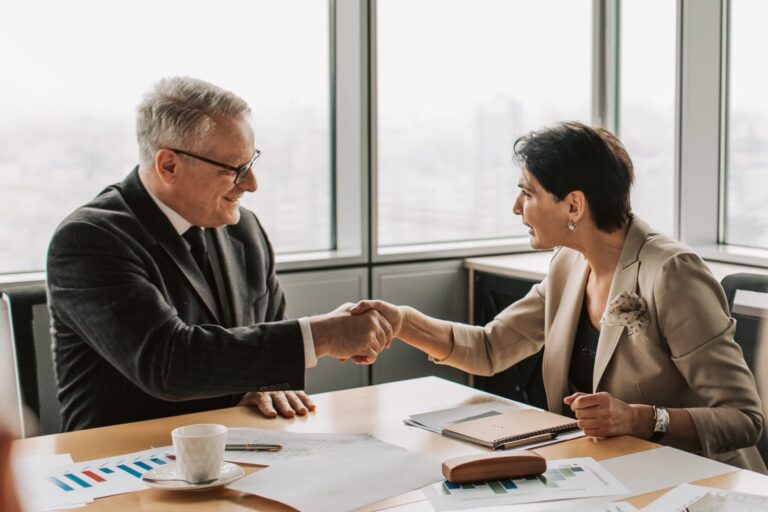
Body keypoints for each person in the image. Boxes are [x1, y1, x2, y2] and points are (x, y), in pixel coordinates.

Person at [351, 121, 767, 472]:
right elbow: (490, 348)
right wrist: (403, 321)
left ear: (574, 205)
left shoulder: (672, 273)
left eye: (528, 193)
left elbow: (744, 420)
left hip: (694, 481)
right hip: (609, 472)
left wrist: (638, 418)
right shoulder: (568, 264)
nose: (517, 207)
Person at [47, 77, 391, 432]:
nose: (252, 183)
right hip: (122, 460)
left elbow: (264, 337)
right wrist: (321, 336)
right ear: (169, 166)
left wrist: (266, 385)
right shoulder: (89, 239)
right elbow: (168, 363)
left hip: (235, 447)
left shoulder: (244, 229)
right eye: (234, 169)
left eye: (251, 162)